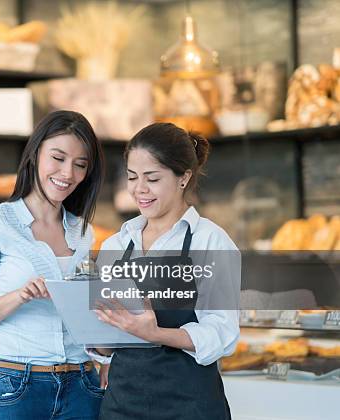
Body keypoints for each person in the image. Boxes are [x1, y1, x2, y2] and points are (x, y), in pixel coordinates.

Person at [0, 110, 106, 420]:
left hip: (82, 383)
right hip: (14, 383)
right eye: (58, 158)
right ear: (35, 154)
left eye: (80, 164)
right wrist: (20, 295)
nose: (67, 173)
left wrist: (107, 353)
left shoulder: (84, 232)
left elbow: (86, 320)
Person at [93, 122, 240, 420]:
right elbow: (105, 347)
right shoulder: (116, 245)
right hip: (121, 406)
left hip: (189, 406)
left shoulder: (209, 240)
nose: (139, 189)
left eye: (153, 178)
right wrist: (99, 333)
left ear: (183, 177)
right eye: (132, 177)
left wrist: (155, 333)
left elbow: (223, 333)